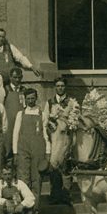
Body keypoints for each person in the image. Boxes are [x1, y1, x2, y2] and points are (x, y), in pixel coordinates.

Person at [12, 88, 50, 198]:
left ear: (36, 98)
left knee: (37, 179)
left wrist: (48, 153)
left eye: (32, 98)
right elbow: (15, 134)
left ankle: (35, 210)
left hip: (38, 150)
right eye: (28, 98)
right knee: (23, 179)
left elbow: (46, 135)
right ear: (25, 99)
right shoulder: (20, 114)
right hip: (23, 150)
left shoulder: (42, 114)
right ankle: (24, 207)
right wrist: (15, 152)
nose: (30, 100)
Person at [43, 76, 72, 205]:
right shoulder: (50, 103)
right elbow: (45, 120)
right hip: (54, 138)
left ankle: (66, 195)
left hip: (66, 138)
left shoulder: (72, 103)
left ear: (65, 87)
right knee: (54, 165)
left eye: (62, 85)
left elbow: (75, 119)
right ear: (55, 87)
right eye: (58, 86)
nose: (60, 88)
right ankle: (55, 195)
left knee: (66, 165)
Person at [3, 68, 27, 153]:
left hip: (20, 120)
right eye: (15, 77)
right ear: (10, 77)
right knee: (8, 142)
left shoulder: (24, 90)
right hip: (8, 121)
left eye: (19, 77)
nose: (17, 80)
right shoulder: (5, 89)